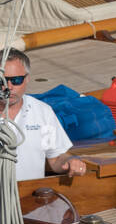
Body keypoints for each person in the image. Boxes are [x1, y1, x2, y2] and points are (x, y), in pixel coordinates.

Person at [1, 52, 87, 181]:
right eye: (1, 81)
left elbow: (56, 158)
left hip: (29, 196)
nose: (8, 87)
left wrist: (70, 161)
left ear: (27, 78)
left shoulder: (42, 112)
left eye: (16, 80)